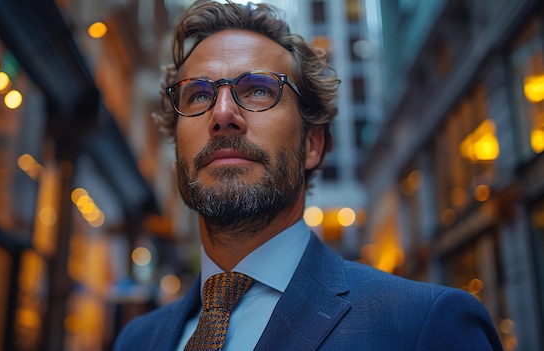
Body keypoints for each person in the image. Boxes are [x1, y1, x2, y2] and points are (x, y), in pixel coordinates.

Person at [113, 1, 503, 350]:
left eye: (259, 90)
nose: (222, 114)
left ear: (312, 145)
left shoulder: (424, 325)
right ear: (177, 146)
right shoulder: (136, 339)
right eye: (198, 94)